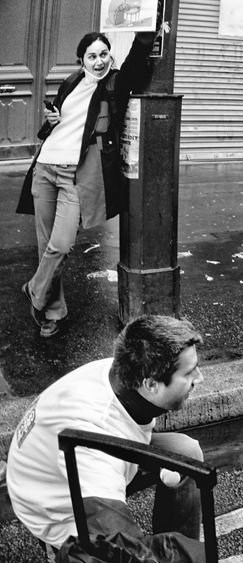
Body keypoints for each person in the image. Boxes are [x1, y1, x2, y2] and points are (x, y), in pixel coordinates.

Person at [6, 315, 206, 557]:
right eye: (189, 373)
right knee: (119, 552)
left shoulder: (126, 369)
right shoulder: (94, 447)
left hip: (62, 461)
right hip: (55, 506)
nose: (200, 378)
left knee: (185, 454)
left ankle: (177, 541)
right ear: (151, 384)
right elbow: (121, 548)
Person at [16, 28, 166, 339]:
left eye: (104, 54)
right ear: (81, 60)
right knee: (46, 246)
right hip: (45, 168)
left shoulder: (115, 83)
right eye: (92, 56)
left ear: (111, 56)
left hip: (76, 175)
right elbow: (55, 122)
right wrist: (51, 119)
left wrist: (147, 27)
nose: (99, 61)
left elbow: (137, 61)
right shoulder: (71, 82)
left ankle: (35, 288)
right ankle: (52, 312)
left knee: (61, 245)